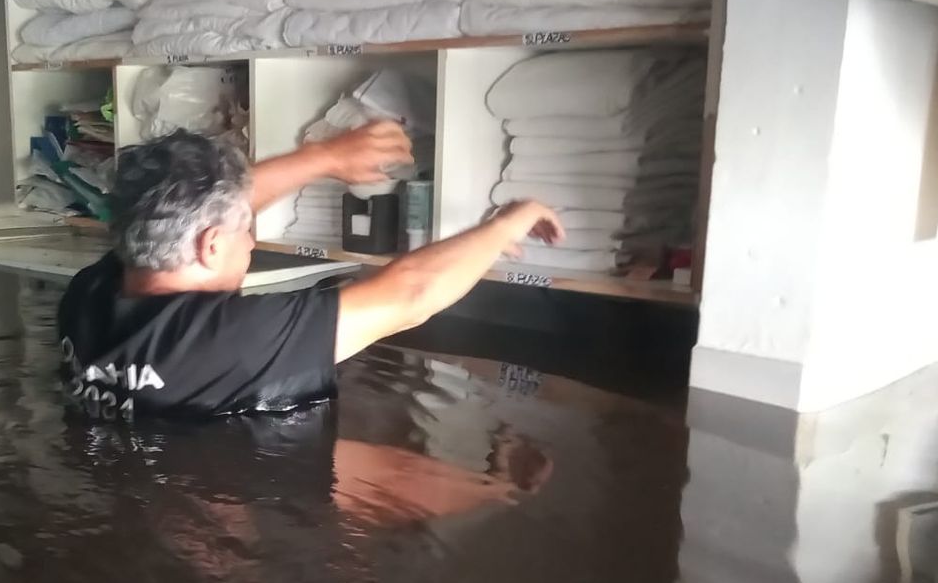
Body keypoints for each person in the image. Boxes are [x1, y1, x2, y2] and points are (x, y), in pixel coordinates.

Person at [57, 124, 564, 417]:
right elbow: (412, 294)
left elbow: (191, 210)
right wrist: (506, 225)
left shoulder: (88, 295)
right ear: (211, 246)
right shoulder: (228, 338)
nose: (252, 240)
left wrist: (324, 157)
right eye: (245, 230)